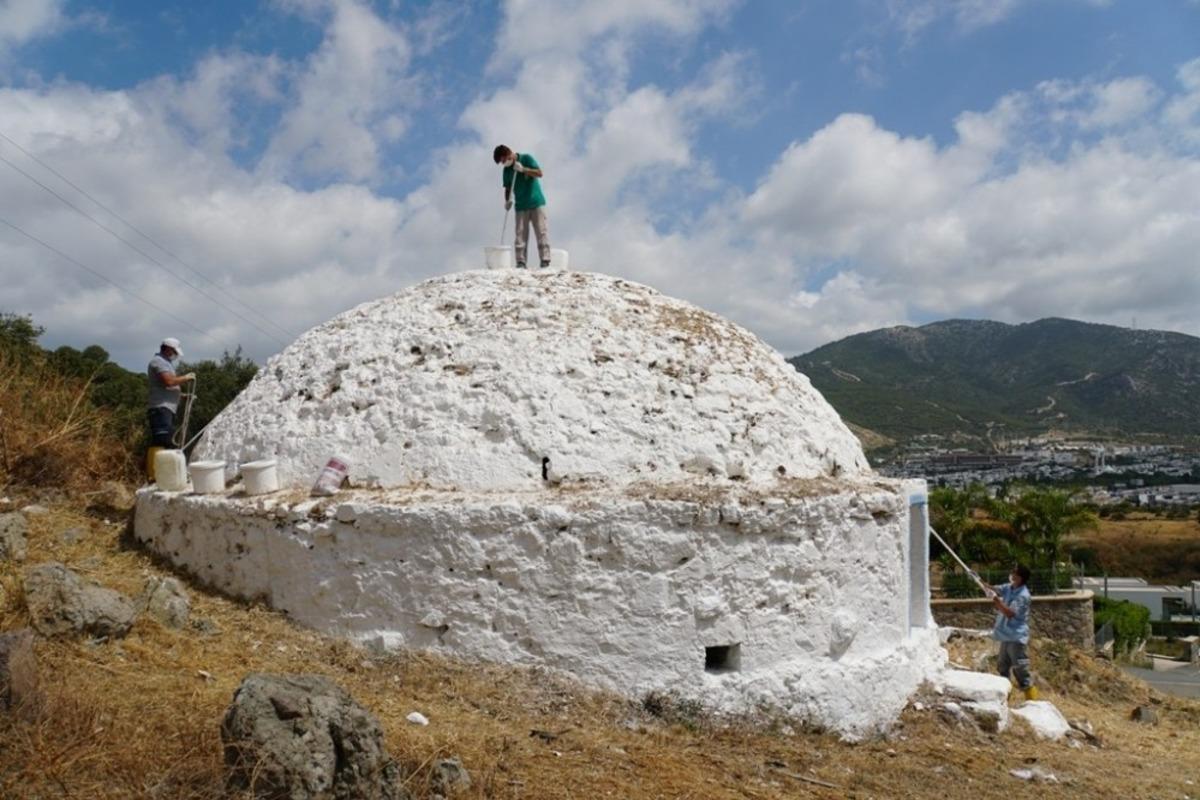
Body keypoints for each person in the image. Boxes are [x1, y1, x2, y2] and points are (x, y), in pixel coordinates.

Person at [986, 563, 1039, 701]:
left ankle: (1032, 701)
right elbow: (995, 589)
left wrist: (995, 600)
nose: (1011, 574)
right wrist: (979, 580)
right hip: (1006, 636)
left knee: (1020, 670)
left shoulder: (1023, 596)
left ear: (1020, 578)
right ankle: (1004, 699)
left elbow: (1010, 613)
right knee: (1002, 667)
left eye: (1014, 572)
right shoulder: (1009, 588)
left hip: (1016, 637)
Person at [493, 144, 550, 269]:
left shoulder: (526, 158)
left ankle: (545, 260)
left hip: (536, 203)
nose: (503, 164)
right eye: (501, 162)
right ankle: (521, 262)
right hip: (520, 205)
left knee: (541, 232)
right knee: (520, 235)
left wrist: (524, 170)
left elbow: (539, 173)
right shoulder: (506, 170)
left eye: (503, 160)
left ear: (509, 154)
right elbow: (507, 187)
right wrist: (507, 201)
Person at [147, 337, 195, 451]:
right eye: (174, 352)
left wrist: (182, 396)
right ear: (168, 349)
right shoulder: (159, 361)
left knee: (167, 441)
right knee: (163, 441)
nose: (175, 355)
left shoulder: (166, 363)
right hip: (161, 408)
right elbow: (169, 382)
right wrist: (186, 378)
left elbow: (166, 387)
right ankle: (156, 467)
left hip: (167, 408)